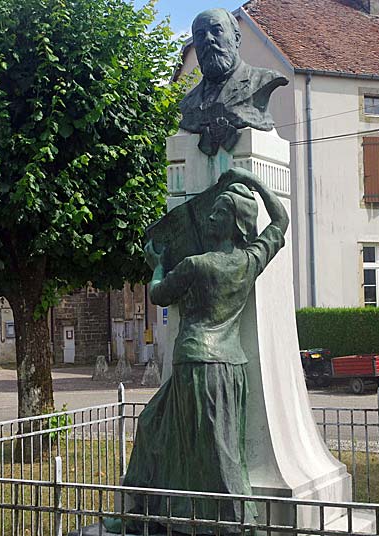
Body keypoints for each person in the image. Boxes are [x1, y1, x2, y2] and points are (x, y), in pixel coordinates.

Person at [104, 167, 288, 534]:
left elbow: (158, 294)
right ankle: (146, 515)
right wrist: (252, 182)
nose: (209, 216)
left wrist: (156, 266)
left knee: (215, 452)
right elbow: (280, 220)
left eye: (219, 212)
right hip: (226, 366)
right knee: (156, 428)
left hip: (198, 364)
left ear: (234, 224)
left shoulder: (195, 266)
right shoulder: (249, 261)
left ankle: (236, 522)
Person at [179, 8, 289, 156]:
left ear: (236, 38)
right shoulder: (188, 103)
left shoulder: (263, 81)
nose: (208, 39)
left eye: (217, 31)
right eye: (200, 35)